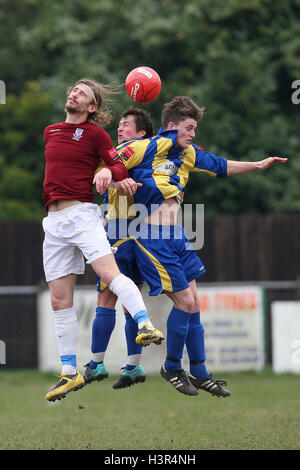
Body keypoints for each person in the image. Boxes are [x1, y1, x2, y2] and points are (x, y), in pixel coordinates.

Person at [94, 96, 287, 397]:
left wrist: (259, 164)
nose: (193, 134)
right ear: (171, 126)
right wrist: (106, 173)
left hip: (178, 236)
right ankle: (171, 367)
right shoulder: (146, 147)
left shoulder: (189, 153)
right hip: (151, 237)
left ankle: (200, 372)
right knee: (184, 302)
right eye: (189, 128)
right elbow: (109, 160)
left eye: (194, 128)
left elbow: (222, 166)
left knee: (195, 305)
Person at [42, 80, 164, 402]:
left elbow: (119, 164)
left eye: (81, 93)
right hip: (54, 223)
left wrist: (111, 173)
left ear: (92, 107)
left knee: (110, 276)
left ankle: (145, 324)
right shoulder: (50, 132)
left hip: (83, 215)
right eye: (72, 90)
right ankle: (69, 373)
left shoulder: (95, 134)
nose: (73, 94)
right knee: (59, 301)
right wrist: (114, 176)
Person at [84, 107, 155, 389]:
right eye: (120, 125)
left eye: (126, 125)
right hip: (138, 231)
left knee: (106, 299)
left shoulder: (129, 153)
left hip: (118, 232)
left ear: (142, 133)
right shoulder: (144, 155)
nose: (119, 128)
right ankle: (133, 367)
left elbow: (112, 180)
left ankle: (96, 364)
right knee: (131, 301)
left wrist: (109, 177)